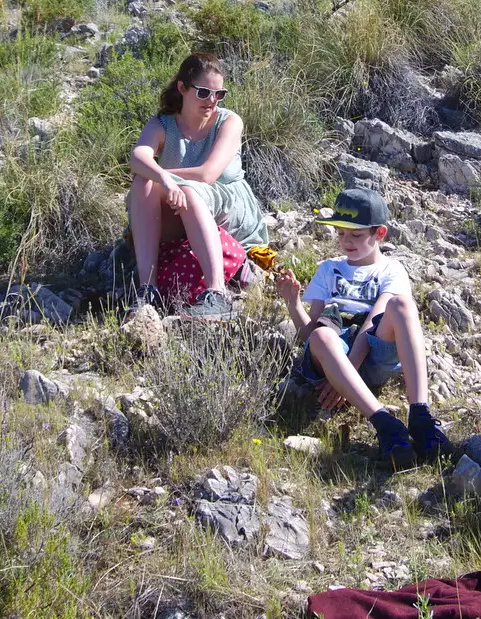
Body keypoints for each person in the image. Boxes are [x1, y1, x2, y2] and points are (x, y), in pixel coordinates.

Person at [273, 188, 457, 470]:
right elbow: (309, 334)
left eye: (356, 235)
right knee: (323, 334)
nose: (346, 241)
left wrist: (348, 371)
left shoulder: (391, 270)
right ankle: (385, 425)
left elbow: (375, 321)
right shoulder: (329, 269)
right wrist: (292, 302)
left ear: (379, 233)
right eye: (341, 233)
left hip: (371, 349)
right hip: (335, 347)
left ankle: (421, 417)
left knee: (402, 305)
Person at [128, 52, 267, 321]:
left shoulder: (228, 121)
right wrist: (163, 179)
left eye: (219, 94)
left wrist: (165, 176)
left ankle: (216, 293)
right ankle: (148, 290)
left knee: (188, 190)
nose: (212, 101)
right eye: (203, 92)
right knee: (143, 182)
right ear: (182, 88)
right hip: (184, 204)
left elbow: (207, 174)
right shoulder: (163, 125)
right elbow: (138, 157)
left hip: (227, 203)